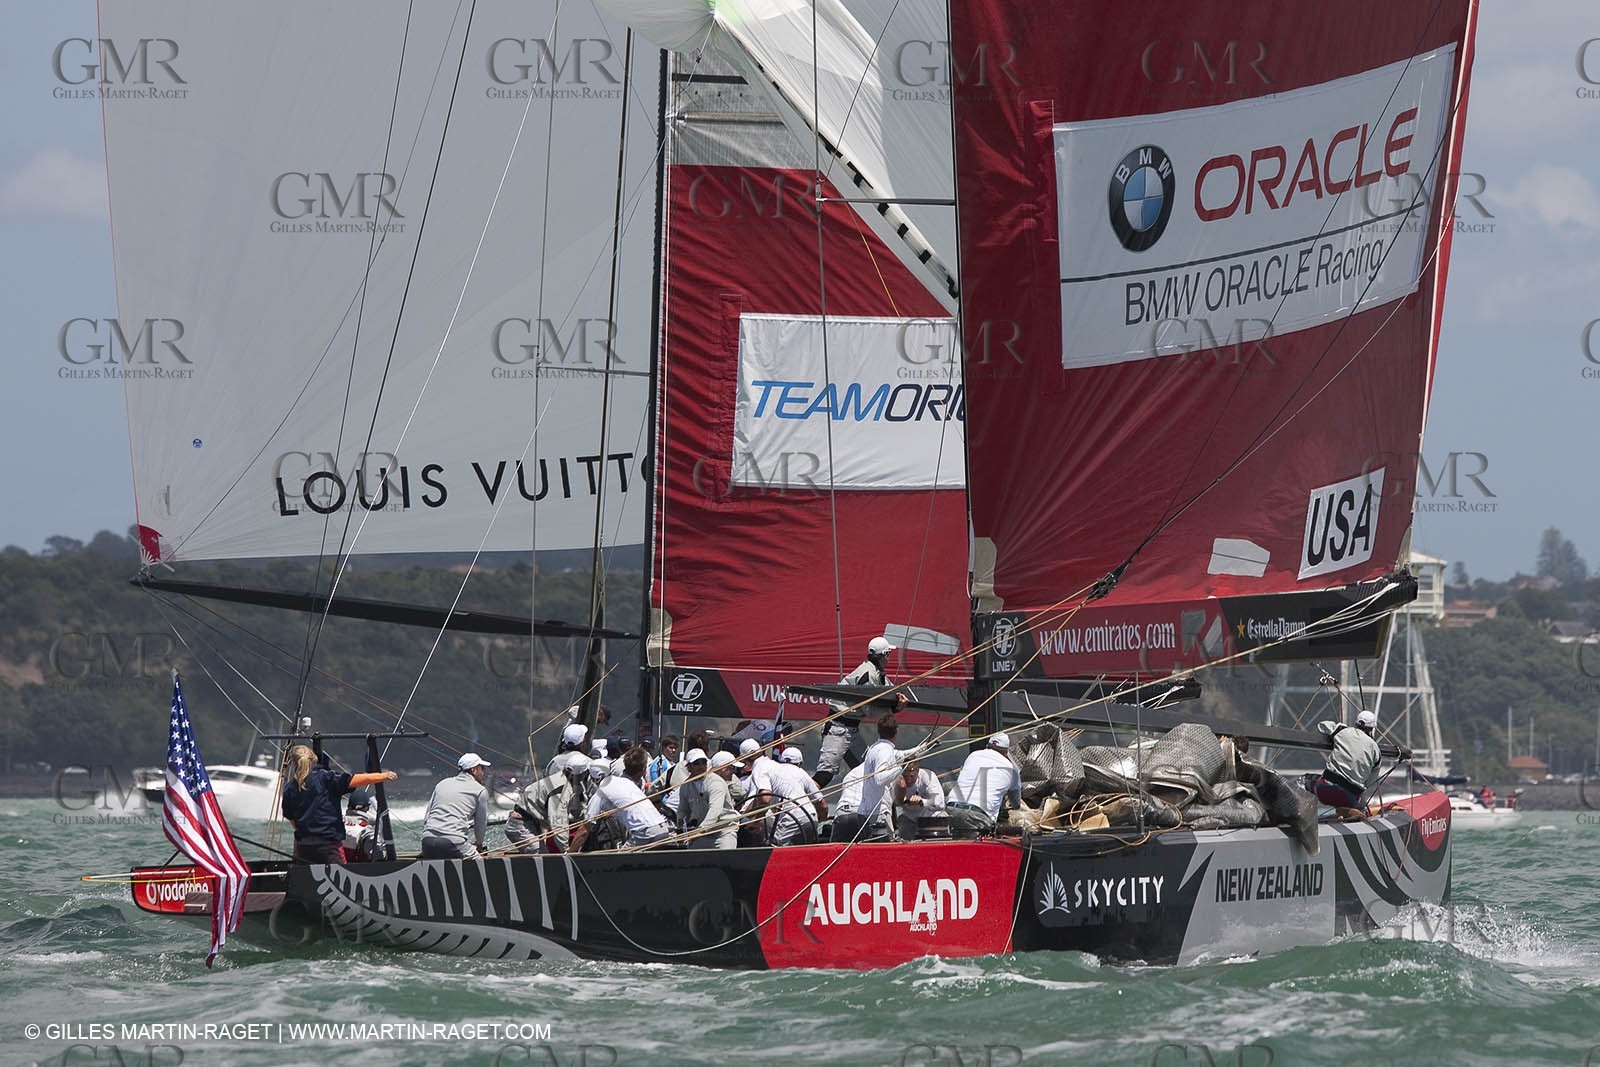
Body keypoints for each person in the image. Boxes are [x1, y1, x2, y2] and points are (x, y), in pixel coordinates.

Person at [816, 636, 909, 787]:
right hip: (837, 728)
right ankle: (800, 803)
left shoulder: (876, 672)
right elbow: (869, 710)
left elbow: (889, 690)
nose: (890, 658)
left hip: (851, 730)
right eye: (889, 654)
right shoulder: (868, 675)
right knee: (825, 775)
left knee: (867, 770)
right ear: (884, 655)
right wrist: (893, 708)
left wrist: (899, 697)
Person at [280, 745, 397, 864]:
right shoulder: (325, 778)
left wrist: (309, 831)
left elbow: (293, 822)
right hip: (328, 847)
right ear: (312, 760)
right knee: (342, 878)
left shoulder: (289, 788)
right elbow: (354, 780)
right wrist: (383, 776)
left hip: (302, 847)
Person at [579, 749, 673, 850]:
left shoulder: (599, 794)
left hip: (644, 832)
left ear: (594, 779)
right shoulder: (626, 782)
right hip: (662, 827)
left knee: (620, 864)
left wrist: (569, 853)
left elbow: (584, 831)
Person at [857, 713, 929, 835]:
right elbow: (879, 779)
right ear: (896, 731)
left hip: (867, 811)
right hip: (878, 813)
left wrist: (924, 747)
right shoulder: (884, 751)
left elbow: (902, 755)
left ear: (879, 731)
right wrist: (901, 767)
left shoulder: (876, 748)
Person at [506, 753, 591, 854]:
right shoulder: (561, 791)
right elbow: (558, 823)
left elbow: (577, 812)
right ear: (582, 773)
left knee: (545, 855)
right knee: (540, 858)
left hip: (533, 823)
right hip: (521, 825)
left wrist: (590, 817)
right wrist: (566, 851)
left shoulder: (572, 783)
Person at [947, 733, 1020, 838]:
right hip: (977, 816)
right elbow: (1016, 804)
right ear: (1006, 751)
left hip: (951, 808)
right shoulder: (1012, 769)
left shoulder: (973, 755)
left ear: (987, 746)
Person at [420, 753, 492, 859]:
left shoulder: (441, 783)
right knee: (480, 863)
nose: (483, 773)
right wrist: (479, 844)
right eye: (482, 769)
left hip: (427, 842)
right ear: (474, 770)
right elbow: (480, 825)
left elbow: (427, 818)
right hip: (452, 842)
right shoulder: (480, 790)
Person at [1314, 711, 1382, 811]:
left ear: (1356, 723)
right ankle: (1355, 813)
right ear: (1372, 728)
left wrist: (1338, 729)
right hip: (1350, 799)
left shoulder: (1342, 731)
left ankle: (1299, 818)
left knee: (1303, 781)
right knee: (1361, 806)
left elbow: (1322, 726)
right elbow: (1371, 780)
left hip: (1326, 789)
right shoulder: (1376, 750)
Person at [763, 747, 829, 846]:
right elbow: (822, 804)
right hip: (810, 818)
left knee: (778, 849)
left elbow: (764, 800)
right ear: (799, 763)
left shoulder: (772, 771)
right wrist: (821, 819)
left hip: (791, 820)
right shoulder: (802, 773)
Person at [679, 749, 739, 850]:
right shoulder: (685, 786)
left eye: (704, 762)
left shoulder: (716, 783)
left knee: (727, 861)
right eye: (696, 763)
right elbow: (682, 810)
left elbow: (715, 810)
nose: (701, 766)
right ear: (689, 767)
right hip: (701, 835)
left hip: (723, 833)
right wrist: (681, 827)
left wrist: (700, 831)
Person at [829, 761, 883, 842]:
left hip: (842, 813)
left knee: (836, 848)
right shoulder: (881, 773)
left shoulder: (851, 774)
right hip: (861, 815)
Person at [894, 759, 946, 841]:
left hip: (931, 818)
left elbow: (940, 803)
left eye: (911, 776)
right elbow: (893, 802)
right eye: (905, 776)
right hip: (909, 818)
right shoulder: (896, 779)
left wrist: (921, 801)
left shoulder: (927, 776)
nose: (908, 780)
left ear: (917, 771)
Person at [342, 789, 379, 862]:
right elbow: (379, 855)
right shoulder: (366, 830)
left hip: (336, 865)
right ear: (367, 808)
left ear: (348, 806)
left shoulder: (337, 823)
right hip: (357, 869)